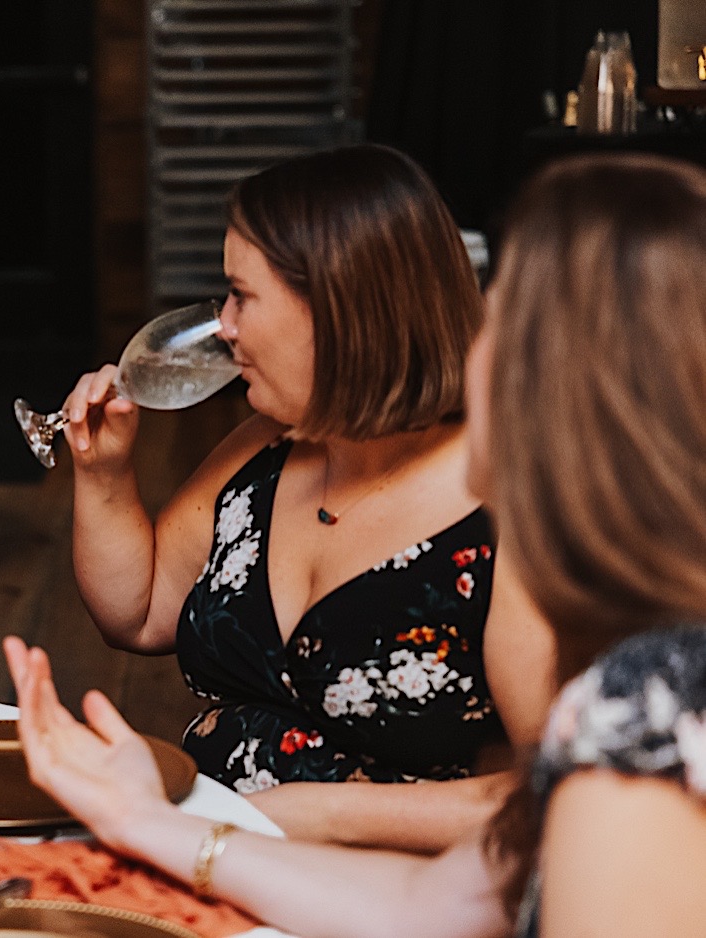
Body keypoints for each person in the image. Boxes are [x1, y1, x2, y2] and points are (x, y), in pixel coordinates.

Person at [6, 151, 706, 937]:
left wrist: (287, 815)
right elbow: (429, 906)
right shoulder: (618, 702)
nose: (466, 347)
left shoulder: (649, 721)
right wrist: (145, 821)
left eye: (499, 324)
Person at [63, 143, 547, 849]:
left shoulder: (507, 504)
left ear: (339, 307)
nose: (223, 325)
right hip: (206, 859)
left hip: (388, 895)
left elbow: (555, 791)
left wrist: (307, 814)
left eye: (242, 296)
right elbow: (137, 615)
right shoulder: (266, 447)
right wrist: (103, 477)